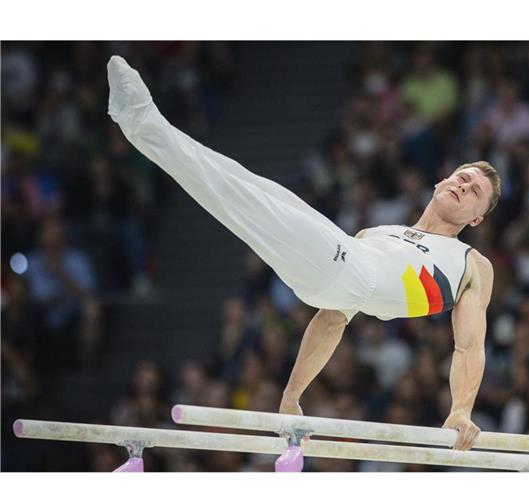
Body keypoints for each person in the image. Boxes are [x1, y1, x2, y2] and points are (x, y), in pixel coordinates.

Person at [106, 56, 500, 450]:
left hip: (344, 271)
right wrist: (292, 395)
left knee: (239, 194)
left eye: (475, 191)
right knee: (245, 183)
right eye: (462, 177)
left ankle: (142, 122)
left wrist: (461, 409)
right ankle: (146, 123)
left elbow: (468, 345)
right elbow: (331, 318)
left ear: (478, 218)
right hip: (334, 266)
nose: (464, 187)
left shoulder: (470, 263)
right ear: (440, 181)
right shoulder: (379, 231)